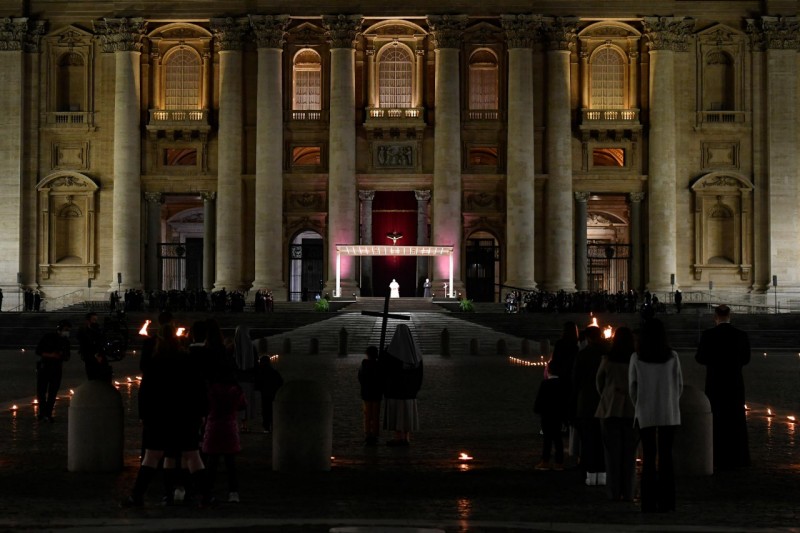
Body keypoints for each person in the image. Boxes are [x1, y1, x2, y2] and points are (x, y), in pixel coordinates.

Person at [123, 324, 210, 508]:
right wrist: (202, 413)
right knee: (192, 456)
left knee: (152, 456)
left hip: (159, 417)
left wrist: (144, 416)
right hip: (186, 416)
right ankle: (206, 496)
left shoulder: (154, 363)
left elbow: (145, 392)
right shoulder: (187, 360)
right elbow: (199, 389)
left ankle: (139, 495)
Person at [629, 318, 683, 513]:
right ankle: (668, 502)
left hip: (645, 413)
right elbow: (679, 385)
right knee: (667, 457)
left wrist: (639, 406)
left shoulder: (637, 358)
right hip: (668, 412)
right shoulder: (672, 356)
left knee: (649, 457)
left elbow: (632, 387)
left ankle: (648, 502)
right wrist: (670, 403)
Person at [695, 304, 751, 470]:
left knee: (717, 419)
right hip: (735, 383)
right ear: (729, 316)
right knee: (736, 419)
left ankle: (717, 456)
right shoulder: (741, 335)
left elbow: (700, 358)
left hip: (715, 383)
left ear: (715, 317)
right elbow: (746, 359)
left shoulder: (708, 335)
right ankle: (738, 457)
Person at [595, 326, 638, 501]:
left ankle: (613, 492)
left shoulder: (607, 359)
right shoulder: (636, 360)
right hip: (632, 409)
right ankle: (628, 491)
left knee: (611, 455)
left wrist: (606, 395)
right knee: (630, 455)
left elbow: (598, 382)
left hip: (610, 408)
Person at [533, 321, 578, 471]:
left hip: (557, 387)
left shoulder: (560, 345)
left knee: (548, 434)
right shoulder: (575, 346)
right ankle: (560, 461)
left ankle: (545, 460)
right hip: (567, 386)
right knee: (558, 433)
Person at [202, 363, 246, 504]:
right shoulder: (235, 390)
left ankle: (207, 491)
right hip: (229, 427)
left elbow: (205, 406)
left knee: (212, 463)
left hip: (214, 426)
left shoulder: (211, 390)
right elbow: (242, 406)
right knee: (230, 463)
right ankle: (233, 492)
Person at [572, 326, 607, 486]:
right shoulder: (608, 353)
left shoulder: (583, 354)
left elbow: (576, 380)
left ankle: (590, 474)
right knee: (603, 440)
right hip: (605, 401)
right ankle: (604, 474)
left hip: (586, 401)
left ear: (589, 339)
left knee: (588, 439)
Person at [381, 324, 423, 446]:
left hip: (396, 391)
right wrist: (416, 388)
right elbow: (420, 374)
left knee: (398, 415)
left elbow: (387, 371)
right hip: (410, 392)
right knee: (407, 415)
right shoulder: (417, 356)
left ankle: (399, 437)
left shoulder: (392, 355)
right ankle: (406, 437)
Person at [35, 319, 71, 421]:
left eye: (68, 330)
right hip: (45, 367)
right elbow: (38, 351)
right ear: (59, 329)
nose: (67, 332)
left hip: (57, 368)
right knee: (41, 391)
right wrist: (51, 355)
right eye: (65, 330)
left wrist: (62, 356)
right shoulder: (48, 337)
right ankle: (42, 412)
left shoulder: (66, 341)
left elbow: (67, 356)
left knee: (53, 392)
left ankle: (48, 413)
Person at [254, 338, 283, 433]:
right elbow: (280, 381)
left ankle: (266, 426)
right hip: (273, 393)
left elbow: (257, 383)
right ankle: (273, 425)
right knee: (272, 410)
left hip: (265, 394)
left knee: (265, 410)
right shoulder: (274, 372)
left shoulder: (260, 373)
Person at [233, 325, 257, 432]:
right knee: (246, 402)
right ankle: (244, 424)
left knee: (237, 401)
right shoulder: (252, 348)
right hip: (248, 378)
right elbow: (255, 364)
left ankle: (238, 423)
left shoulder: (233, 348)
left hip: (237, 379)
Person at [358, 345, 383, 445]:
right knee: (376, 415)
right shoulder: (379, 365)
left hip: (367, 392)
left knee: (367, 415)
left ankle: (368, 433)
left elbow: (360, 377)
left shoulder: (364, 364)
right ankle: (375, 434)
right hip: (376, 393)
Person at [77, 312, 111, 381]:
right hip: (90, 359)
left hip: (100, 358)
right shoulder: (83, 331)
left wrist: (100, 354)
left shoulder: (98, 329)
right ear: (88, 321)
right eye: (93, 320)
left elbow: (103, 341)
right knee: (93, 379)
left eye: (96, 320)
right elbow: (85, 345)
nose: (95, 322)